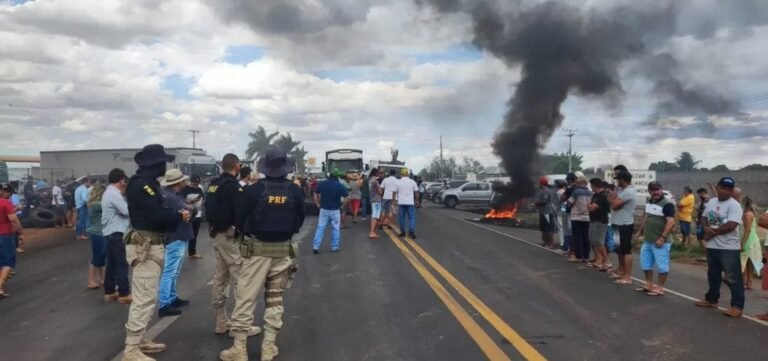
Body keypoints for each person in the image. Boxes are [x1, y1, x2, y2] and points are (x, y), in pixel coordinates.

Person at [221, 147, 305, 361]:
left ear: (265, 168)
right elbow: (300, 220)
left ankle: (239, 349)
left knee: (246, 298)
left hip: (256, 251)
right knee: (275, 299)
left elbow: (240, 218)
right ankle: (268, 347)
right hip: (283, 251)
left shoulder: (254, 190)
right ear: (285, 168)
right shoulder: (295, 191)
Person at [120, 144, 190, 361]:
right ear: (156, 164)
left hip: (151, 243)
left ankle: (139, 339)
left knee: (148, 295)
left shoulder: (146, 184)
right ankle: (131, 348)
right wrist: (177, 217)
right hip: (146, 244)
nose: (164, 166)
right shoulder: (142, 186)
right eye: (162, 163)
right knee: (143, 296)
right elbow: (156, 216)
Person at [206, 154, 259, 337]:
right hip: (230, 236)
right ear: (237, 166)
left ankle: (221, 321)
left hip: (217, 234)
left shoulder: (213, 184)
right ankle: (240, 325)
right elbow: (240, 211)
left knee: (220, 277)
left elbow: (208, 209)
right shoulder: (233, 186)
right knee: (241, 278)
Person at [695, 177, 745, 318]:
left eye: (729, 189)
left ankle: (737, 306)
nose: (726, 191)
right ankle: (711, 299)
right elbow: (704, 217)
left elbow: (731, 225)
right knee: (713, 275)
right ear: (717, 188)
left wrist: (712, 233)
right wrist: (705, 228)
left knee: (733, 278)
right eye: (723, 188)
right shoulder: (711, 202)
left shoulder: (734, 205)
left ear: (732, 191)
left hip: (728, 248)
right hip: (712, 246)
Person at [157, 169, 194, 317]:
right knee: (170, 270)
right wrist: (191, 209)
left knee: (173, 270)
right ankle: (165, 303)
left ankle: (171, 298)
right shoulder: (172, 198)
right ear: (178, 182)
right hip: (176, 236)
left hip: (176, 235)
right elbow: (188, 211)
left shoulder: (171, 195)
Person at [634, 181, 676, 296]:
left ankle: (660, 288)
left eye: (657, 189)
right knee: (645, 263)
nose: (655, 192)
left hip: (661, 241)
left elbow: (671, 222)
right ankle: (649, 284)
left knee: (662, 265)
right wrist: (639, 231)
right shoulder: (649, 201)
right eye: (653, 190)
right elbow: (646, 217)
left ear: (661, 190)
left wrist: (662, 238)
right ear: (649, 191)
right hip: (648, 240)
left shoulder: (667, 204)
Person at [102, 168, 132, 304]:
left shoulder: (109, 193)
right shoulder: (114, 194)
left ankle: (110, 291)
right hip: (117, 232)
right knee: (121, 264)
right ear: (121, 180)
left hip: (110, 232)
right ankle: (124, 293)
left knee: (112, 264)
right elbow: (126, 211)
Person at [608, 169, 636, 285]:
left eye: (618, 180)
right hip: (617, 223)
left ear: (622, 180)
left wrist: (612, 199)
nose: (616, 182)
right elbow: (610, 199)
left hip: (624, 224)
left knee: (626, 250)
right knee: (619, 249)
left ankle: (627, 276)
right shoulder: (621, 190)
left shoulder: (628, 191)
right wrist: (613, 197)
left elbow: (613, 204)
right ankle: (621, 270)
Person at [312, 168, 348, 253]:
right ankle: (334, 247)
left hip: (323, 209)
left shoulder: (322, 184)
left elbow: (315, 193)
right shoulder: (340, 186)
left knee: (320, 228)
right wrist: (342, 206)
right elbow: (347, 197)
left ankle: (316, 246)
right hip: (335, 210)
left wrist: (317, 203)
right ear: (337, 177)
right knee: (335, 229)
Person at [0, 184, 23, 298]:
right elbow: (14, 220)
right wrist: (21, 233)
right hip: (4, 235)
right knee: (8, 263)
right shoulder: (5, 203)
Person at [86, 183, 107, 290]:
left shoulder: (94, 203)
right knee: (96, 258)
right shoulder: (97, 204)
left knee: (101, 257)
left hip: (98, 232)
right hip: (98, 233)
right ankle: (91, 281)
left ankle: (103, 278)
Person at [587, 178, 611, 271]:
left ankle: (606, 261)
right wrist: (590, 205)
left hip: (600, 221)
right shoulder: (595, 195)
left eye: (591, 185)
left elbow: (592, 207)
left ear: (594, 185)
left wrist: (590, 206)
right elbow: (590, 205)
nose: (591, 188)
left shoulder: (603, 195)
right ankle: (598, 260)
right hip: (593, 219)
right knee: (593, 240)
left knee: (599, 242)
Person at [739, 196, 762, 291]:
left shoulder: (747, 215)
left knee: (744, 261)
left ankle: (745, 282)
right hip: (753, 239)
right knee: (749, 262)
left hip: (749, 239)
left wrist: (742, 243)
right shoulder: (752, 214)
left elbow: (747, 230)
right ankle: (749, 283)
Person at [568, 176, 592, 263]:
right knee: (586, 236)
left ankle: (578, 256)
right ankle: (586, 256)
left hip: (576, 217)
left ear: (579, 183)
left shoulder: (576, 192)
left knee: (577, 237)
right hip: (587, 217)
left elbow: (570, 203)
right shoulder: (590, 193)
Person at [181, 174, 205, 259]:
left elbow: (203, 199)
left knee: (194, 234)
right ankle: (180, 252)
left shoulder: (199, 190)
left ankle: (192, 252)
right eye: (194, 182)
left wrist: (201, 203)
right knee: (184, 234)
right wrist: (191, 201)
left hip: (198, 214)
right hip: (188, 214)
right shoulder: (185, 190)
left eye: (197, 183)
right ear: (191, 181)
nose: (196, 184)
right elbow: (181, 201)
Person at [395, 168, 419, 238]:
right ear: (408, 174)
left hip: (401, 203)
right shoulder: (412, 182)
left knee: (401, 218)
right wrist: (417, 201)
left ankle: (402, 232)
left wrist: (394, 201)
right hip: (410, 203)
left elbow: (394, 192)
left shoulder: (398, 182)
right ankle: (411, 232)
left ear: (401, 174)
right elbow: (416, 192)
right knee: (412, 218)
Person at [534, 176, 555, 249]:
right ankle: (545, 242)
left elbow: (544, 201)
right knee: (544, 228)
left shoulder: (546, 191)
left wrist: (535, 203)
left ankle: (551, 244)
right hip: (542, 212)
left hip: (547, 212)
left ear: (541, 184)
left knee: (549, 228)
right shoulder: (542, 190)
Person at [695, 188, 711, 259]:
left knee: (701, 238)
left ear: (702, 193)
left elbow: (705, 211)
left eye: (699, 194)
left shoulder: (706, 200)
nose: (698, 195)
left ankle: (707, 255)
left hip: (703, 222)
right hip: (701, 221)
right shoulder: (704, 200)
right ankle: (705, 254)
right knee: (702, 238)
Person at [75, 176, 92, 241]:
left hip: (78, 206)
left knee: (79, 221)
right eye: (89, 182)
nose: (89, 184)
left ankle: (79, 234)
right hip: (83, 206)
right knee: (82, 221)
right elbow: (85, 199)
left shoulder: (78, 188)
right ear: (85, 182)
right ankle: (81, 235)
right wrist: (90, 204)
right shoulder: (84, 189)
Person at [367, 169, 382, 239]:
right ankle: (372, 232)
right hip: (376, 200)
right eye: (379, 173)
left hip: (372, 199)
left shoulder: (370, 180)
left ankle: (373, 232)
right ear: (376, 173)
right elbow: (380, 192)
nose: (380, 174)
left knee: (373, 216)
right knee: (375, 217)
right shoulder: (375, 181)